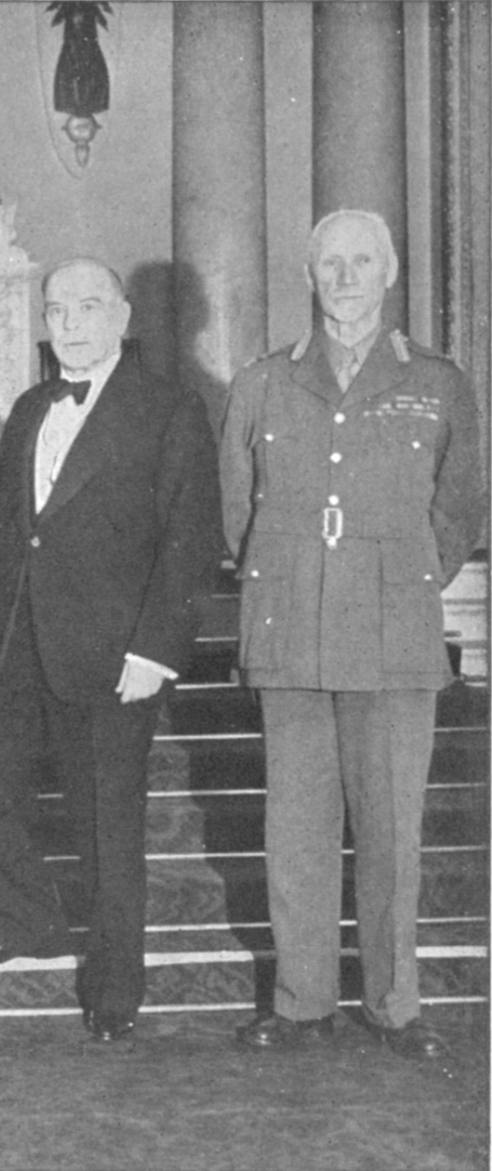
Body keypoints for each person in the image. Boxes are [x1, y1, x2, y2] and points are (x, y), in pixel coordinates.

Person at [0, 258, 221, 1043]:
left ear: (123, 318)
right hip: (16, 642)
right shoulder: (31, 405)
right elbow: (11, 515)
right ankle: (24, 912)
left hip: (112, 652)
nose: (71, 322)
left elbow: (190, 542)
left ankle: (115, 984)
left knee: (108, 828)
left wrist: (155, 651)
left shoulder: (170, 410)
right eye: (58, 308)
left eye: (90, 306)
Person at [222, 210, 485, 1059]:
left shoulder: (437, 382)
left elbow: (459, 505)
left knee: (390, 832)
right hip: (290, 628)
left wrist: (400, 581)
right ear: (309, 274)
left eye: (361, 261)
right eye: (330, 262)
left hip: (393, 635)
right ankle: (301, 1003)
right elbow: (237, 514)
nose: (346, 277)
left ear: (391, 271)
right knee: (293, 829)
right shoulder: (265, 381)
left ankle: (393, 1004)